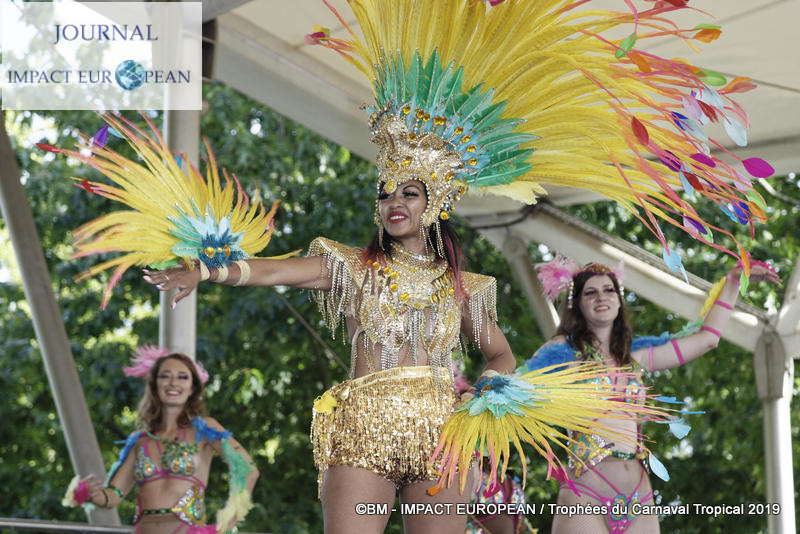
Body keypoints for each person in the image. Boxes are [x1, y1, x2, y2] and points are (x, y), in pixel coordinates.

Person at [526, 256, 779, 534]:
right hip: (586, 493)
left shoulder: (636, 356)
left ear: (620, 300)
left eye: (609, 290)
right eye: (590, 292)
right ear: (576, 304)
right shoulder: (564, 353)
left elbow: (708, 339)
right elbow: (517, 386)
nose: (602, 297)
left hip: (639, 496)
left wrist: (732, 282)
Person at [63, 349, 259, 534]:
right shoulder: (140, 441)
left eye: (183, 377)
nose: (173, 383)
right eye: (165, 376)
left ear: (192, 388)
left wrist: (228, 521)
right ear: (155, 385)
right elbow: (112, 497)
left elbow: (248, 470)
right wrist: (86, 493)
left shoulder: (205, 429)